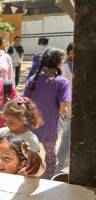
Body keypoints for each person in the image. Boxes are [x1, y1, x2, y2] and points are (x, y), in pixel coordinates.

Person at [24, 48, 71, 179]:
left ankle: (29, 178)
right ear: (59, 63)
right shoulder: (62, 82)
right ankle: (46, 181)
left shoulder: (32, 80)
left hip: (31, 127)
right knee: (51, 161)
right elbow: (63, 110)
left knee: (29, 157)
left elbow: (25, 102)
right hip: (50, 129)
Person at [57, 42, 74, 172]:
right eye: (73, 52)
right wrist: (63, 107)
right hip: (68, 108)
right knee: (67, 137)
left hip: (73, 107)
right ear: (69, 52)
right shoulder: (66, 67)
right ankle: (60, 166)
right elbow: (62, 90)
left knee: (69, 137)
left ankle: (65, 164)